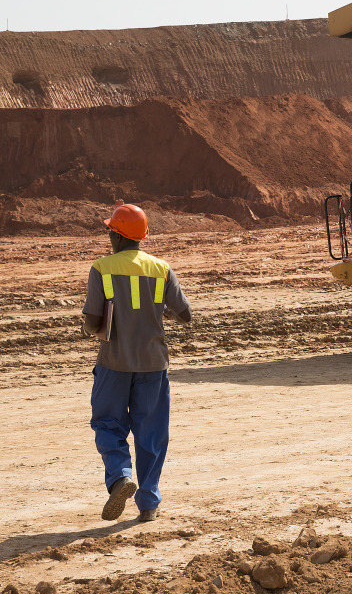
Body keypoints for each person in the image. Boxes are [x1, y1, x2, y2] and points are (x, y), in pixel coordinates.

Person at [81, 203, 192, 522]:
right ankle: (149, 503)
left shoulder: (101, 268)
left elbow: (93, 320)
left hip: (113, 363)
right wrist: (159, 311)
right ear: (141, 237)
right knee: (152, 433)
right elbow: (185, 315)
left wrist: (88, 329)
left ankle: (119, 477)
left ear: (116, 235)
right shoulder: (161, 268)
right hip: (153, 365)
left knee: (107, 423)